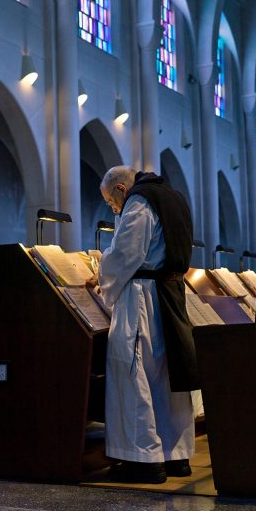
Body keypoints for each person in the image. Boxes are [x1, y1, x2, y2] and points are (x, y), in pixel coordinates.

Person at [89, 166, 197, 484]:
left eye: (112, 202)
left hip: (142, 296)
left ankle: (145, 458)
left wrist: (100, 276)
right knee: (166, 378)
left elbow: (127, 252)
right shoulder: (173, 197)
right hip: (170, 294)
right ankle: (176, 456)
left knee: (134, 373)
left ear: (122, 189)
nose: (114, 209)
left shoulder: (139, 200)